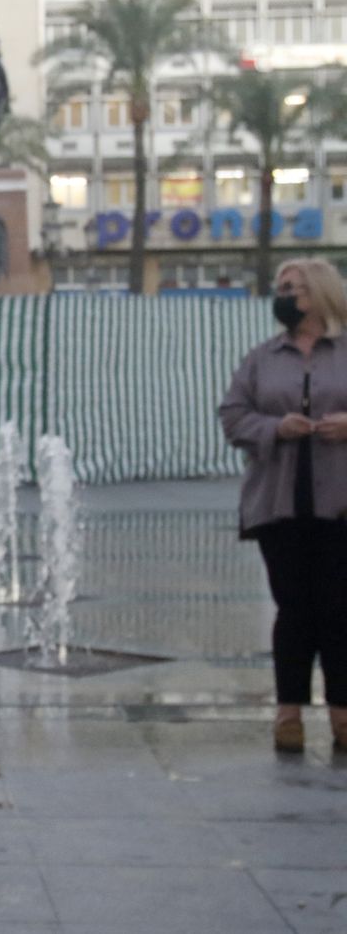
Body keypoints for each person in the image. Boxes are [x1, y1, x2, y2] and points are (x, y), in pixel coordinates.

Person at [220, 257, 347, 754]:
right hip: (279, 505)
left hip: (339, 503)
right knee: (293, 609)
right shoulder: (262, 357)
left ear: (318, 294)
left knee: (339, 610)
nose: (284, 296)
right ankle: (288, 712)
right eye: (280, 288)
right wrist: (275, 428)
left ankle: (341, 711)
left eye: (292, 288)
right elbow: (233, 416)